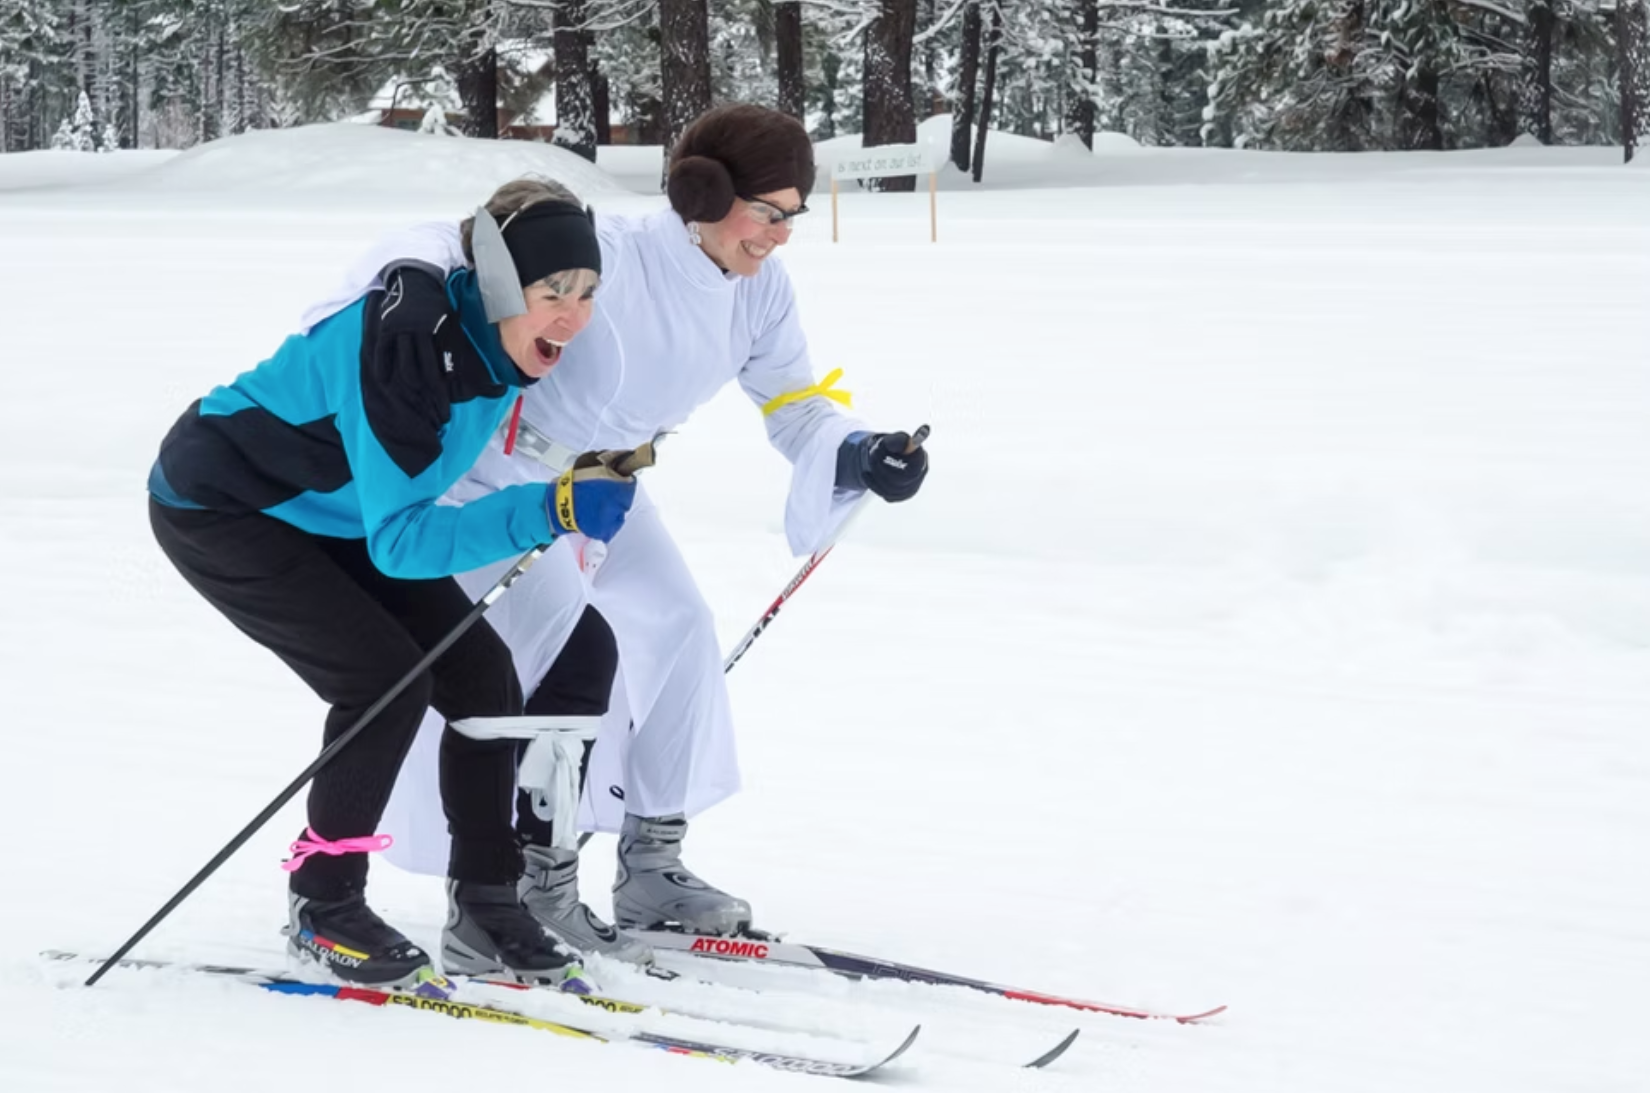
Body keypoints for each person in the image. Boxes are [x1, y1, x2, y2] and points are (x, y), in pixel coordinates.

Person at [356, 104, 930, 967]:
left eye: (791, 217)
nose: (778, 236)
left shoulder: (760, 291)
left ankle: (652, 865)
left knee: (681, 628)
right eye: (766, 212)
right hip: (507, 475)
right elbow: (459, 237)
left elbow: (791, 402)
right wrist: (409, 279)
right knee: (559, 652)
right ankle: (525, 878)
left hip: (607, 485)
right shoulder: (613, 254)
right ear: (702, 193)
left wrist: (858, 448)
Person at [146, 177, 644, 988]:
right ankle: (323, 905)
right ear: (499, 283)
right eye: (553, 290)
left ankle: (487, 901)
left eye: (587, 293)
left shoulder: (489, 337)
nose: (574, 315)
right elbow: (404, 543)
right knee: (383, 680)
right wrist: (547, 508)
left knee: (482, 675)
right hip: (221, 503)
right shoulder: (407, 354)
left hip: (324, 512)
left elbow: (453, 243)